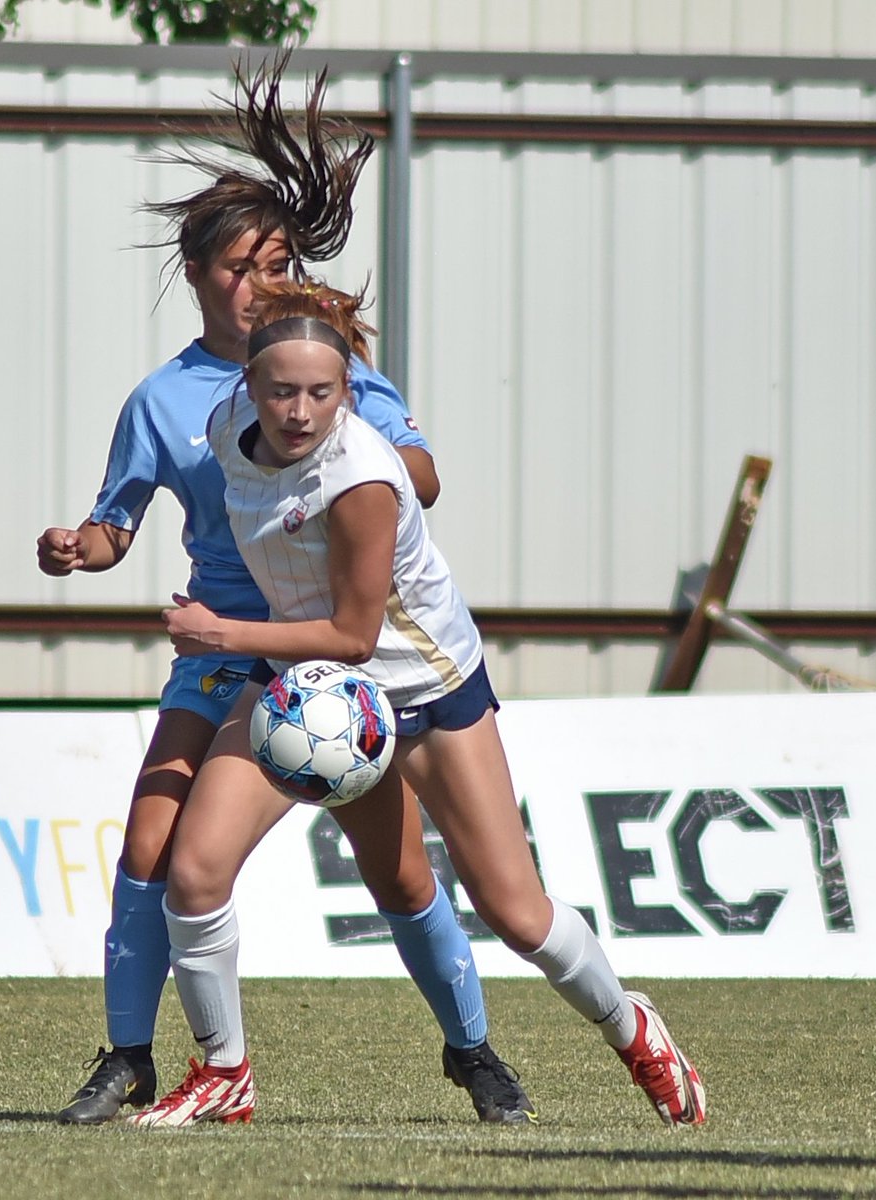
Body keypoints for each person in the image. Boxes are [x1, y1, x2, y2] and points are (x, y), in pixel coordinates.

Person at [37, 54, 534, 1127]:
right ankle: (132, 1057)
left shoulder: (327, 367)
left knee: (402, 880)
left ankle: (474, 1050)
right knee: (150, 848)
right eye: (235, 266)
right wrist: (82, 543)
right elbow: (118, 521)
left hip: (322, 659)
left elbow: (420, 478)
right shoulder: (164, 400)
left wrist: (370, 468)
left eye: (273, 262)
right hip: (221, 653)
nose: (255, 282)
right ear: (196, 271)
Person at [131, 278, 708, 1130]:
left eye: (321, 393)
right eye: (282, 391)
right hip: (307, 684)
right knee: (195, 867)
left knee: (515, 912)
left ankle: (633, 1029)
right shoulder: (225, 430)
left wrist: (222, 636)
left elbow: (356, 636)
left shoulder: (363, 477)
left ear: (346, 392)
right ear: (245, 387)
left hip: (420, 686)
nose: (299, 410)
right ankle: (225, 1072)